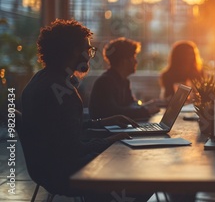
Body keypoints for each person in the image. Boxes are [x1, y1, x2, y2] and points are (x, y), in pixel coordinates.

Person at [20, 19, 152, 201]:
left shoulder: (41, 80)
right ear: (75, 50)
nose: (90, 56)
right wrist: (110, 140)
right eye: (89, 50)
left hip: (46, 169)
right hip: (66, 172)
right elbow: (75, 148)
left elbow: (63, 131)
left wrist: (103, 122)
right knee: (144, 181)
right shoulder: (63, 92)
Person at [89, 37, 159, 120]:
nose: (136, 62)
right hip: (107, 132)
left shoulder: (124, 81)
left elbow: (130, 104)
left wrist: (148, 105)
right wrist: (145, 110)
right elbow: (114, 113)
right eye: (133, 57)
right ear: (124, 61)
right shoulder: (105, 82)